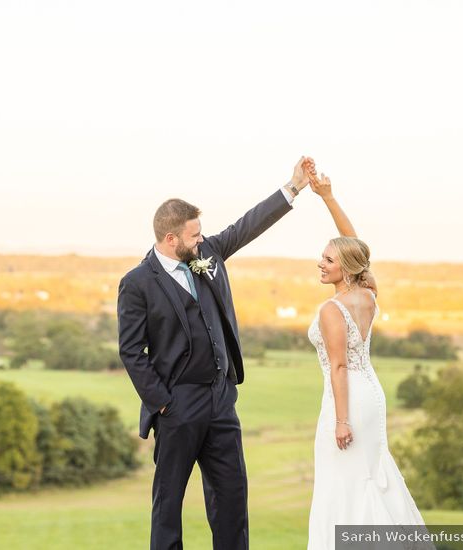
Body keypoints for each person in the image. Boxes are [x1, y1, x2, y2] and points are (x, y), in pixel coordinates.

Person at [117, 157, 316, 550]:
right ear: (170, 239)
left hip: (221, 400)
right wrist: (162, 403)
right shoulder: (138, 283)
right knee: (168, 502)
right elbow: (130, 351)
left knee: (231, 497)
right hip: (177, 404)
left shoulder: (207, 254)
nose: (201, 240)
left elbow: (247, 226)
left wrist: (292, 187)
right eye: (193, 235)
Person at [305, 173, 432, 549]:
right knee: (367, 475)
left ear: (344, 267)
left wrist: (342, 420)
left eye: (328, 259)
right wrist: (328, 198)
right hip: (371, 396)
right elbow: (356, 249)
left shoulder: (331, 309)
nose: (320, 264)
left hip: (345, 400)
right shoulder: (368, 294)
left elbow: (339, 367)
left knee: (341, 479)